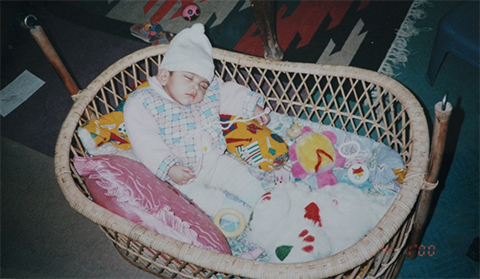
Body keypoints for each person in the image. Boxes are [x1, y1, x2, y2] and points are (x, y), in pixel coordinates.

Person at [124, 23, 270, 222]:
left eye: (202, 84)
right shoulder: (143, 102)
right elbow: (145, 142)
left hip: (213, 159)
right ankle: (236, 214)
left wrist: (252, 107)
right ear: (165, 75)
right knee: (198, 199)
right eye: (188, 78)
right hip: (180, 172)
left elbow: (226, 93)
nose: (196, 88)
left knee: (239, 176)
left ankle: (265, 203)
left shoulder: (207, 93)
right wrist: (169, 167)